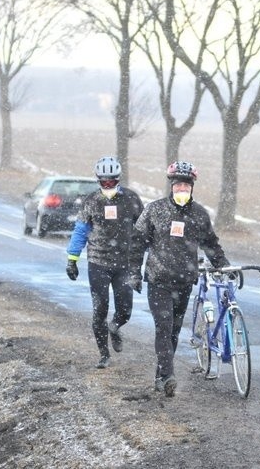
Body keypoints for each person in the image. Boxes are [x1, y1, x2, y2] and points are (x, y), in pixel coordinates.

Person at [133, 161, 230, 397]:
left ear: (192, 188)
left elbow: (211, 245)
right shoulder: (155, 210)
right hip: (158, 280)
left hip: (185, 282)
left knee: (174, 331)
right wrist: (133, 271)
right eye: (178, 186)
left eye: (186, 187)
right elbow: (137, 243)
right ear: (171, 186)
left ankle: (160, 375)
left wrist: (224, 265)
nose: (182, 191)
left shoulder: (199, 215)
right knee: (163, 327)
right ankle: (168, 375)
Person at [66, 156, 144, 369]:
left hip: (124, 264)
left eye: (111, 182)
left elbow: (144, 230)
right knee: (100, 308)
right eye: (103, 182)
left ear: (118, 179)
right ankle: (104, 354)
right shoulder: (91, 201)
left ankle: (115, 326)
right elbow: (80, 231)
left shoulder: (132, 199)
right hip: (98, 263)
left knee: (125, 309)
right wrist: (72, 260)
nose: (107, 185)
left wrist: (144, 259)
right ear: (98, 180)